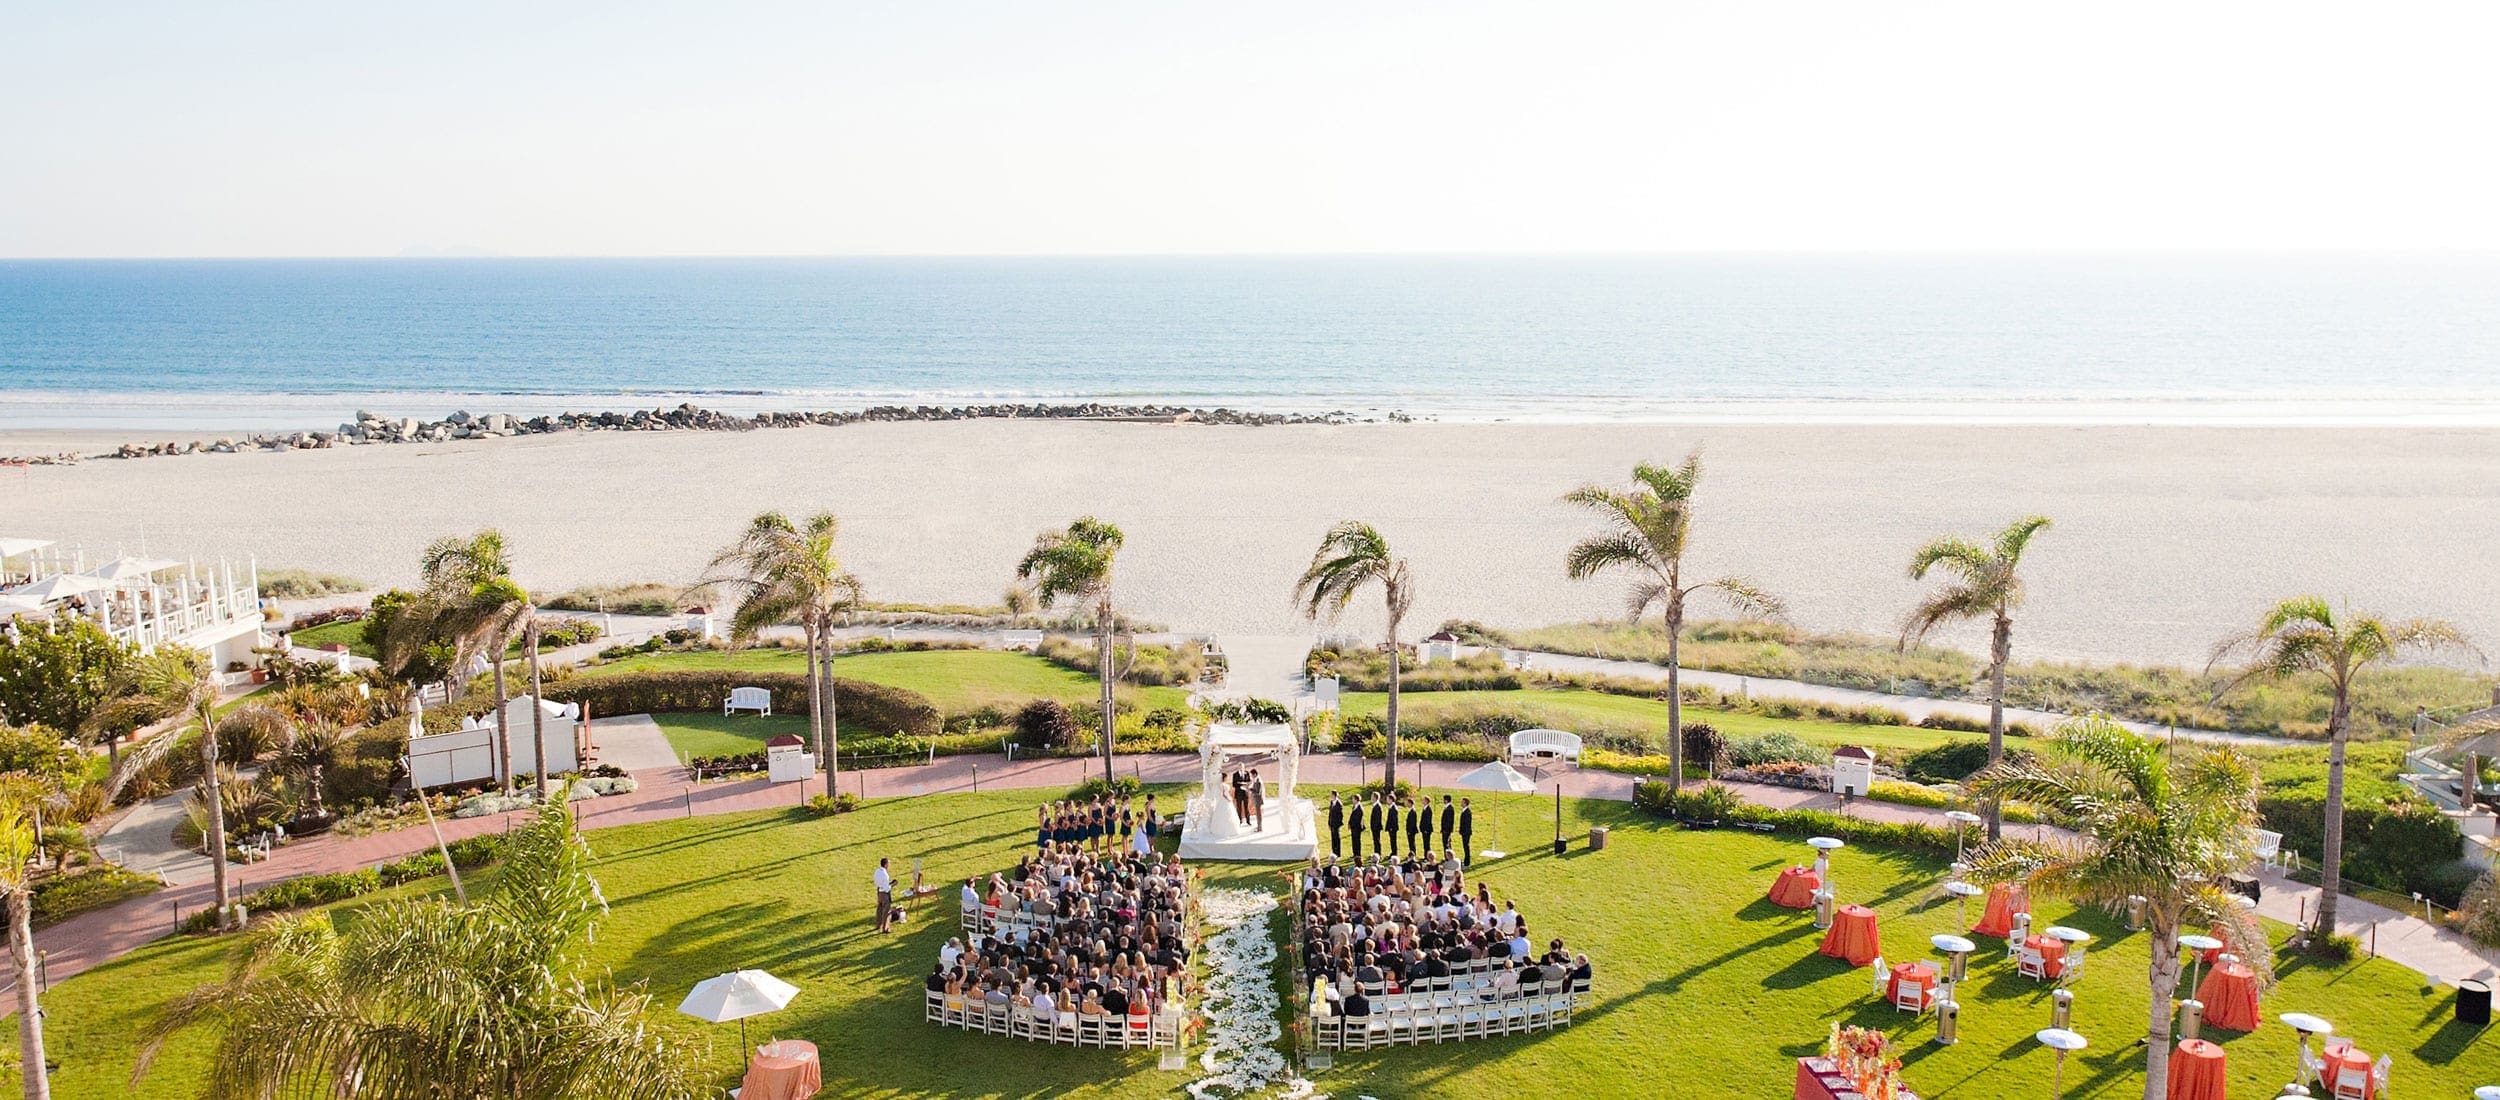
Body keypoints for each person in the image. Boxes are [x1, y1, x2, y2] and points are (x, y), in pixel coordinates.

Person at [874, 857, 895, 933]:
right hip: (885, 894)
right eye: (888, 864)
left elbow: (878, 882)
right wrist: (893, 884)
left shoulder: (877, 871)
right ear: (886, 865)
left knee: (879, 909)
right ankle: (885, 928)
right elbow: (886, 889)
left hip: (879, 891)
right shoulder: (885, 875)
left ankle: (878, 925)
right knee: (886, 911)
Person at [1327, 791, 1345, 858]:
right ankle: (1333, 852)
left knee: (1337, 838)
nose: (1330, 796)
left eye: (1331, 795)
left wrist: (1337, 825)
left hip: (1336, 824)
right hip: (1332, 823)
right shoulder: (1332, 802)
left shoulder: (1339, 804)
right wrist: (1329, 823)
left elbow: (1340, 816)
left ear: (1334, 795)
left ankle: (1338, 853)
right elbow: (1330, 814)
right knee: (1333, 838)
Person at [1457, 797, 1475, 866]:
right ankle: (1466, 860)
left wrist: (1463, 832)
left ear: (1465, 803)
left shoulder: (1467, 812)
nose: (1461, 803)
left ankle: (1467, 862)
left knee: (1466, 846)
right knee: (1465, 846)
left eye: (1462, 802)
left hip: (1466, 833)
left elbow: (1467, 823)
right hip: (1464, 832)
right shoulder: (1464, 811)